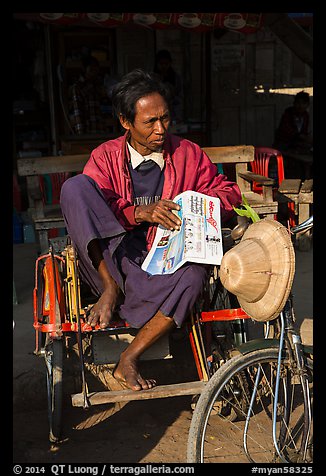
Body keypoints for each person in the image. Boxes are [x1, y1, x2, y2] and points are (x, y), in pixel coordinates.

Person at [60, 69, 241, 392]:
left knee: (195, 277)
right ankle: (110, 289)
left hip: (162, 262)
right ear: (126, 122)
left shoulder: (187, 153)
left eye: (165, 119)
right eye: (150, 122)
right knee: (75, 187)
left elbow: (227, 191)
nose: (160, 129)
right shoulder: (104, 157)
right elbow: (91, 208)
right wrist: (138, 213)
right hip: (110, 260)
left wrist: (197, 204)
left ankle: (129, 357)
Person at [68, 55, 107, 135]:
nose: (94, 72)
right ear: (84, 69)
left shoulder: (97, 86)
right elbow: (77, 111)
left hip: (100, 129)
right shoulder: (78, 87)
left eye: (96, 69)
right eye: (91, 69)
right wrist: (80, 134)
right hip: (87, 131)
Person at [154, 49, 184, 123]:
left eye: (166, 64)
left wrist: (178, 116)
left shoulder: (175, 78)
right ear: (157, 64)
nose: (164, 66)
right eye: (161, 64)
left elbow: (179, 99)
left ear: (170, 63)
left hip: (173, 114)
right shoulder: (152, 78)